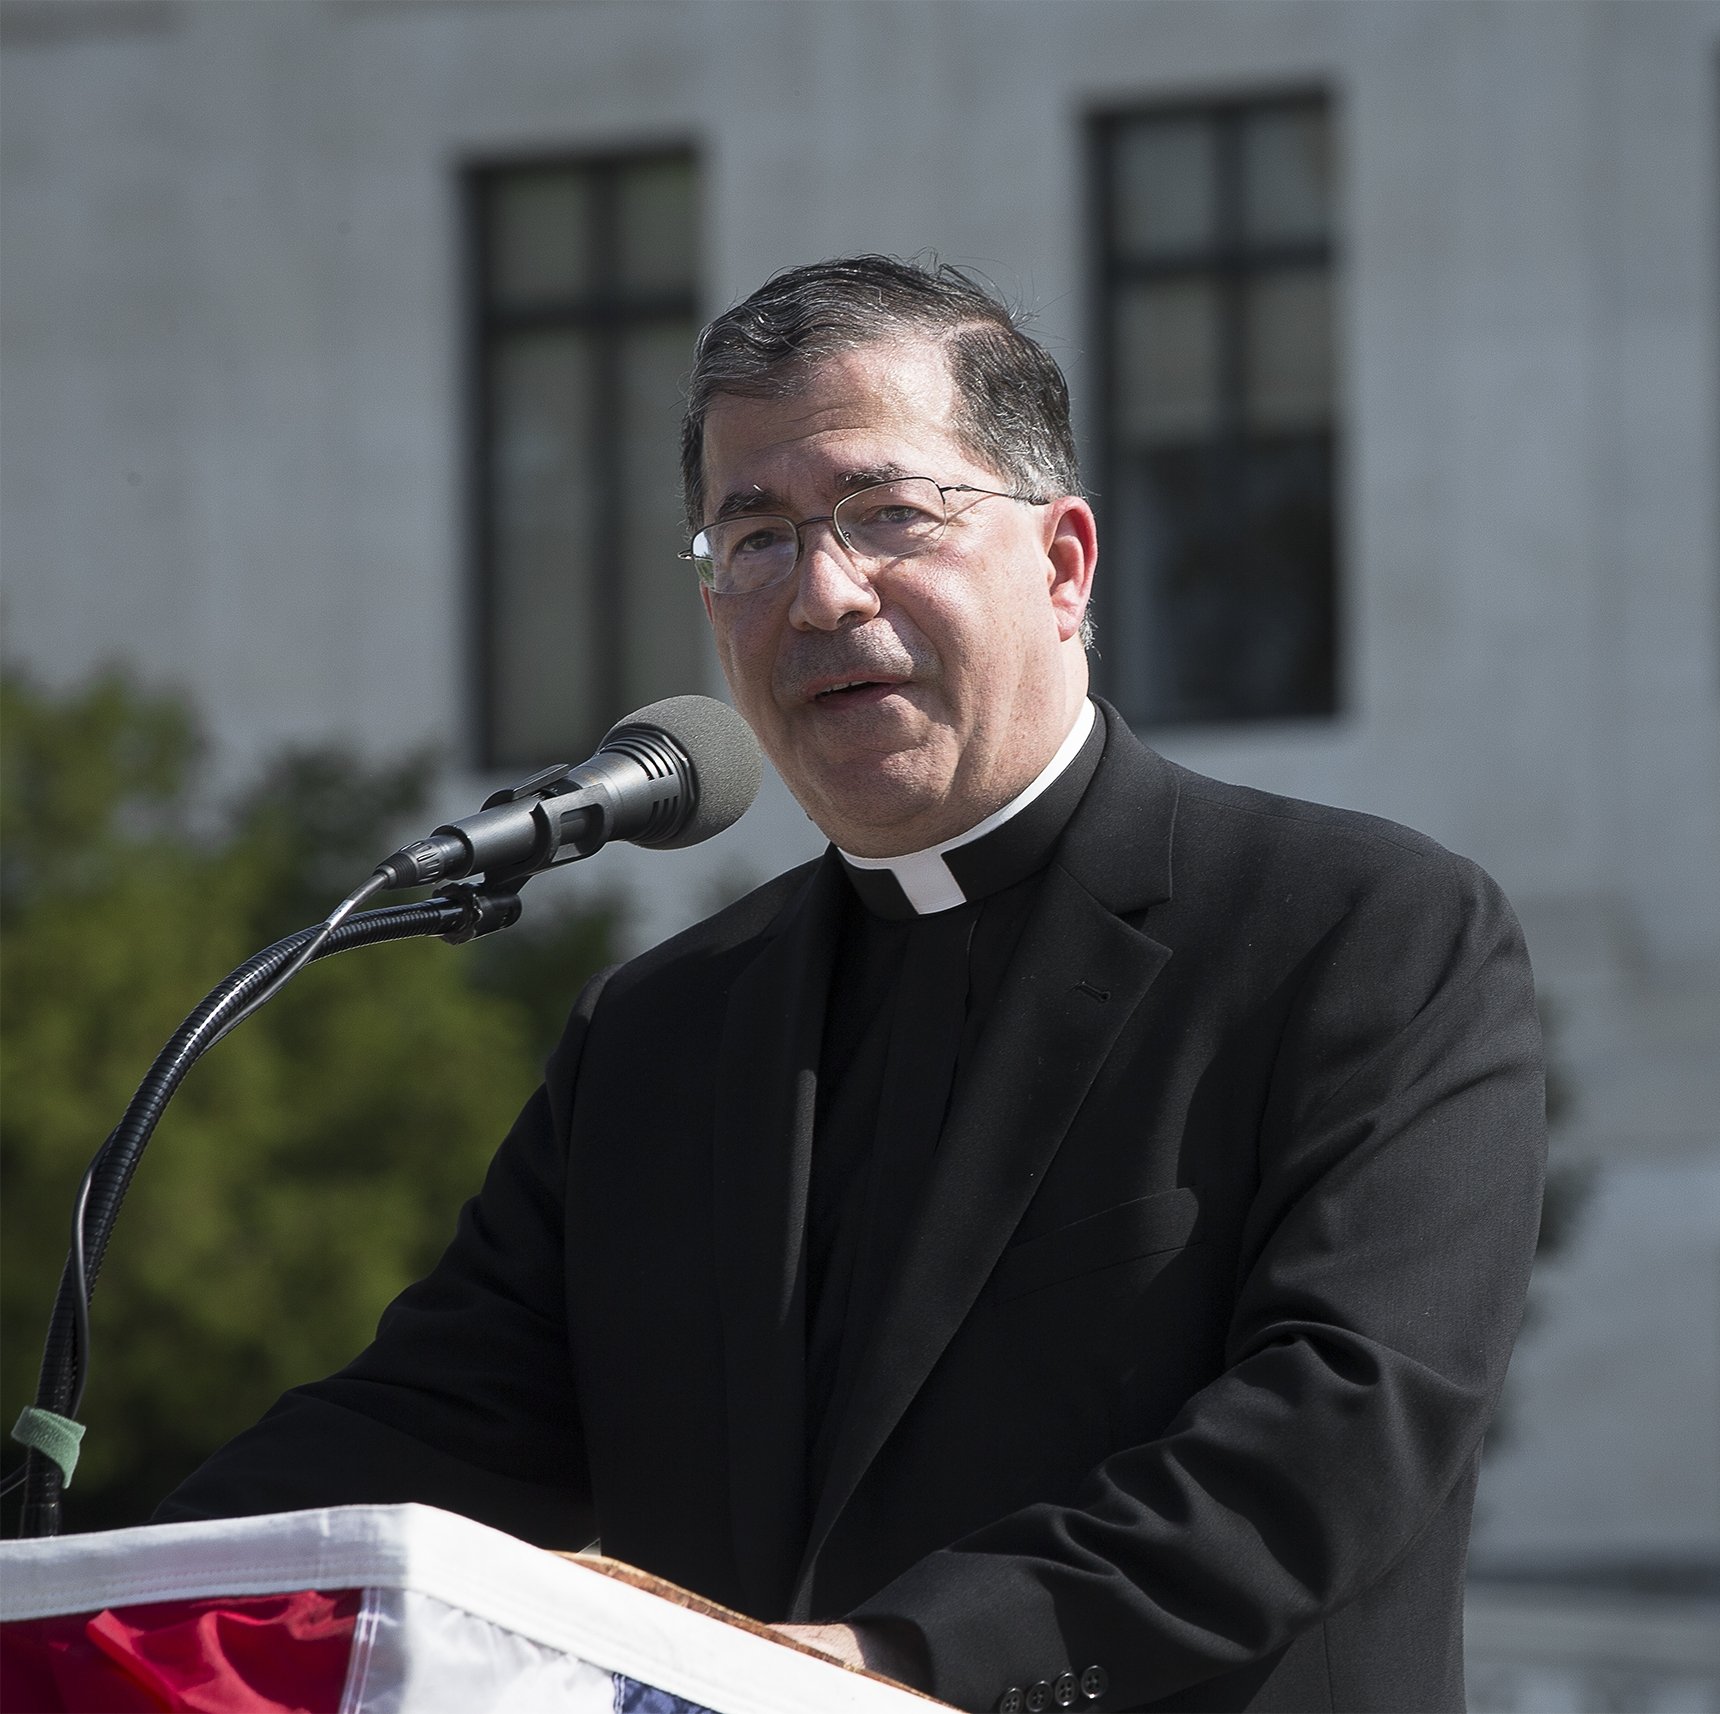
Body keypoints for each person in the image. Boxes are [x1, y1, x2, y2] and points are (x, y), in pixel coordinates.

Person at [162, 256, 1547, 1713]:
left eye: (889, 513)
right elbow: (416, 1431)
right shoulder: (660, 1034)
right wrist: (88, 1594)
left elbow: (1337, 1429)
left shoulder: (1361, 937)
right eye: (752, 535)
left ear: (1065, 563)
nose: (821, 590)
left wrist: (899, 1665)